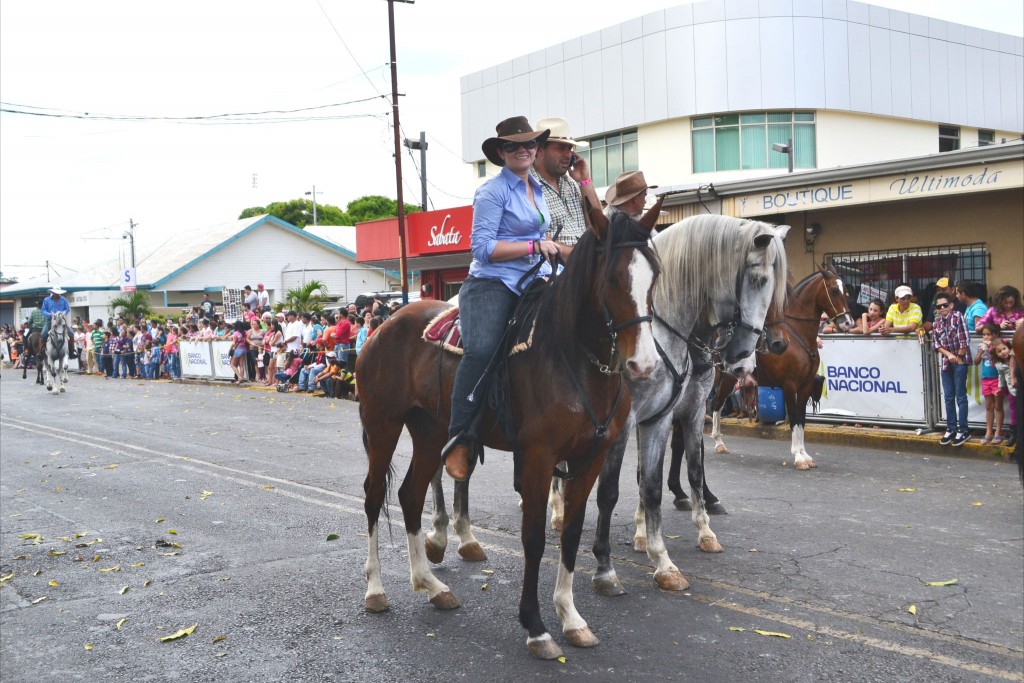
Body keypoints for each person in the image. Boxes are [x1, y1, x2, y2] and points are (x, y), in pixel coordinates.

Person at [443, 115, 555, 482]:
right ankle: (460, 438)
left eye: (528, 144)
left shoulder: (538, 188)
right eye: (513, 145)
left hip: (535, 279)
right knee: (483, 349)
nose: (522, 150)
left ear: (537, 149)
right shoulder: (492, 191)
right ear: (502, 153)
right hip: (493, 283)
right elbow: (482, 247)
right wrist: (535, 245)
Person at [531, 117, 602, 251]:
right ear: (539, 150)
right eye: (561, 148)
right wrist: (578, 258)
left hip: (585, 261)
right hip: (555, 267)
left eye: (570, 148)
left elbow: (599, 225)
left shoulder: (571, 183)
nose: (568, 155)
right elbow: (531, 236)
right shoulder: (527, 185)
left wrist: (584, 180)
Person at [932, 291, 971, 447]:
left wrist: (958, 357)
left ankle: (963, 429)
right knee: (948, 397)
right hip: (947, 362)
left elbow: (964, 339)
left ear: (951, 305)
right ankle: (951, 428)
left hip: (960, 362)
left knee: (960, 396)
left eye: (945, 305)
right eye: (939, 306)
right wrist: (949, 355)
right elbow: (936, 344)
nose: (942, 308)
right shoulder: (936, 322)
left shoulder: (958, 317)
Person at [975, 323, 1003, 445]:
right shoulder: (981, 346)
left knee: (998, 406)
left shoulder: (997, 346)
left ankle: (998, 432)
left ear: (995, 335)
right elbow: (976, 362)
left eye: (988, 334)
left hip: (997, 379)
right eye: (984, 335)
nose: (986, 337)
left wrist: (991, 348)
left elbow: (1002, 358)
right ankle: (988, 432)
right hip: (986, 379)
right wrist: (981, 352)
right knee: (989, 406)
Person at [991, 338, 1017, 447]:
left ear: (1008, 347)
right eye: (999, 351)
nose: (1003, 352)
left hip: (1020, 387)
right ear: (996, 354)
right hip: (1012, 391)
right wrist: (1000, 388)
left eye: (1004, 349)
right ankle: (1014, 434)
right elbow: (1001, 376)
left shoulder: (1016, 356)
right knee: (1013, 412)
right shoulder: (999, 364)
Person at [40, 286, 76, 357]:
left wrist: (63, 313)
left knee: (71, 334)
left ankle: (72, 351)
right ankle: (41, 351)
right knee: (43, 334)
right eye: (55, 293)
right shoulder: (46, 300)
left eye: (58, 293)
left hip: (61, 321)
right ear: (52, 292)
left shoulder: (63, 299)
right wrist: (49, 315)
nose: (57, 294)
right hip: (50, 321)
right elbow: (43, 310)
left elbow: (67, 308)